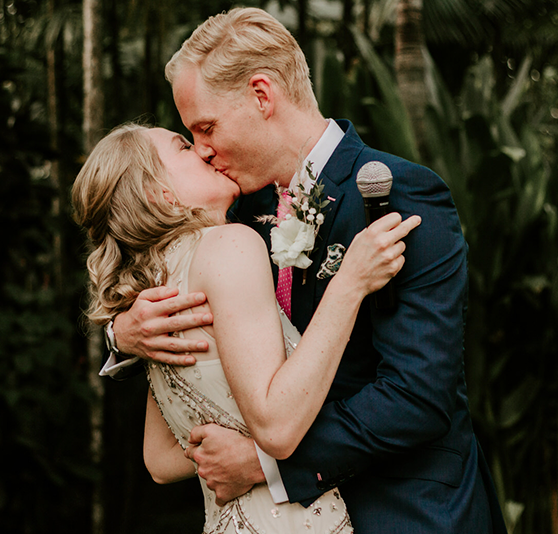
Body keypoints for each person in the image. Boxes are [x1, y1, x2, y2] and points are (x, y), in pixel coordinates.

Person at [104, 7, 508, 534]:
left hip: (406, 513)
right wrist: (122, 334)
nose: (202, 150)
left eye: (206, 127)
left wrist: (265, 464)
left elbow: (417, 396)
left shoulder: (399, 193)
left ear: (261, 95)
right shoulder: (232, 218)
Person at [72, 122, 420, 534]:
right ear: (159, 194)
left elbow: (160, 459)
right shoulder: (228, 245)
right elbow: (277, 428)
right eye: (183, 147)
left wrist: (240, 456)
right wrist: (351, 283)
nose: (202, 152)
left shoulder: (155, 291)